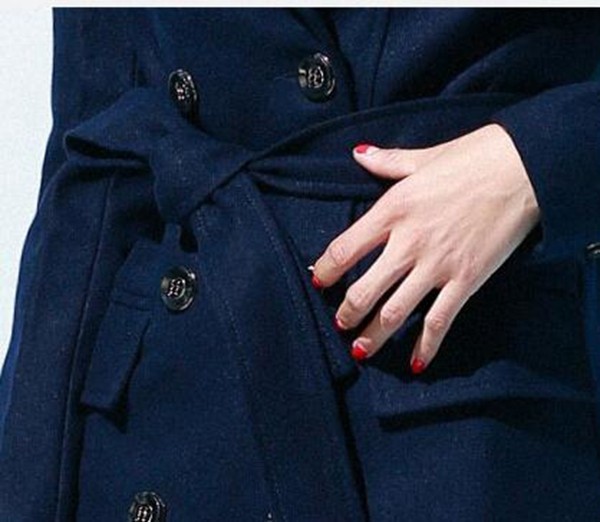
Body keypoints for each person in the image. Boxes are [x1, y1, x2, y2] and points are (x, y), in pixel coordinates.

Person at [1, 6, 600, 521]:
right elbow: (94, 159)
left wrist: (531, 164)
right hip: (173, 388)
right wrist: (29, 480)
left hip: (461, 371)